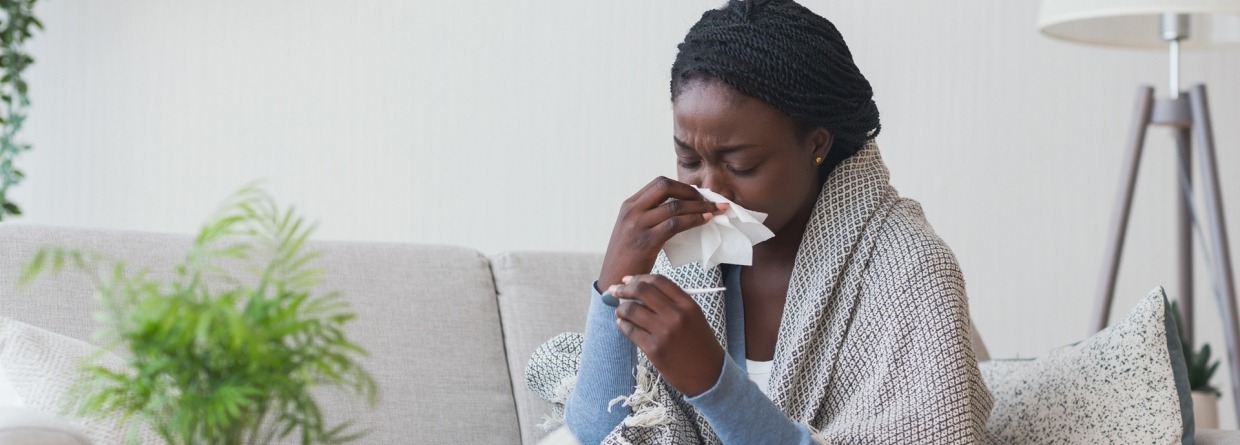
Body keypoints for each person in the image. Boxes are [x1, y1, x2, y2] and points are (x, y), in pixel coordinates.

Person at [526, 0, 999, 443]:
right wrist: (613, 287)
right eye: (688, 159)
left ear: (816, 143)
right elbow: (597, 432)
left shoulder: (910, 269)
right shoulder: (688, 259)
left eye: (741, 164)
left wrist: (715, 383)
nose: (712, 188)